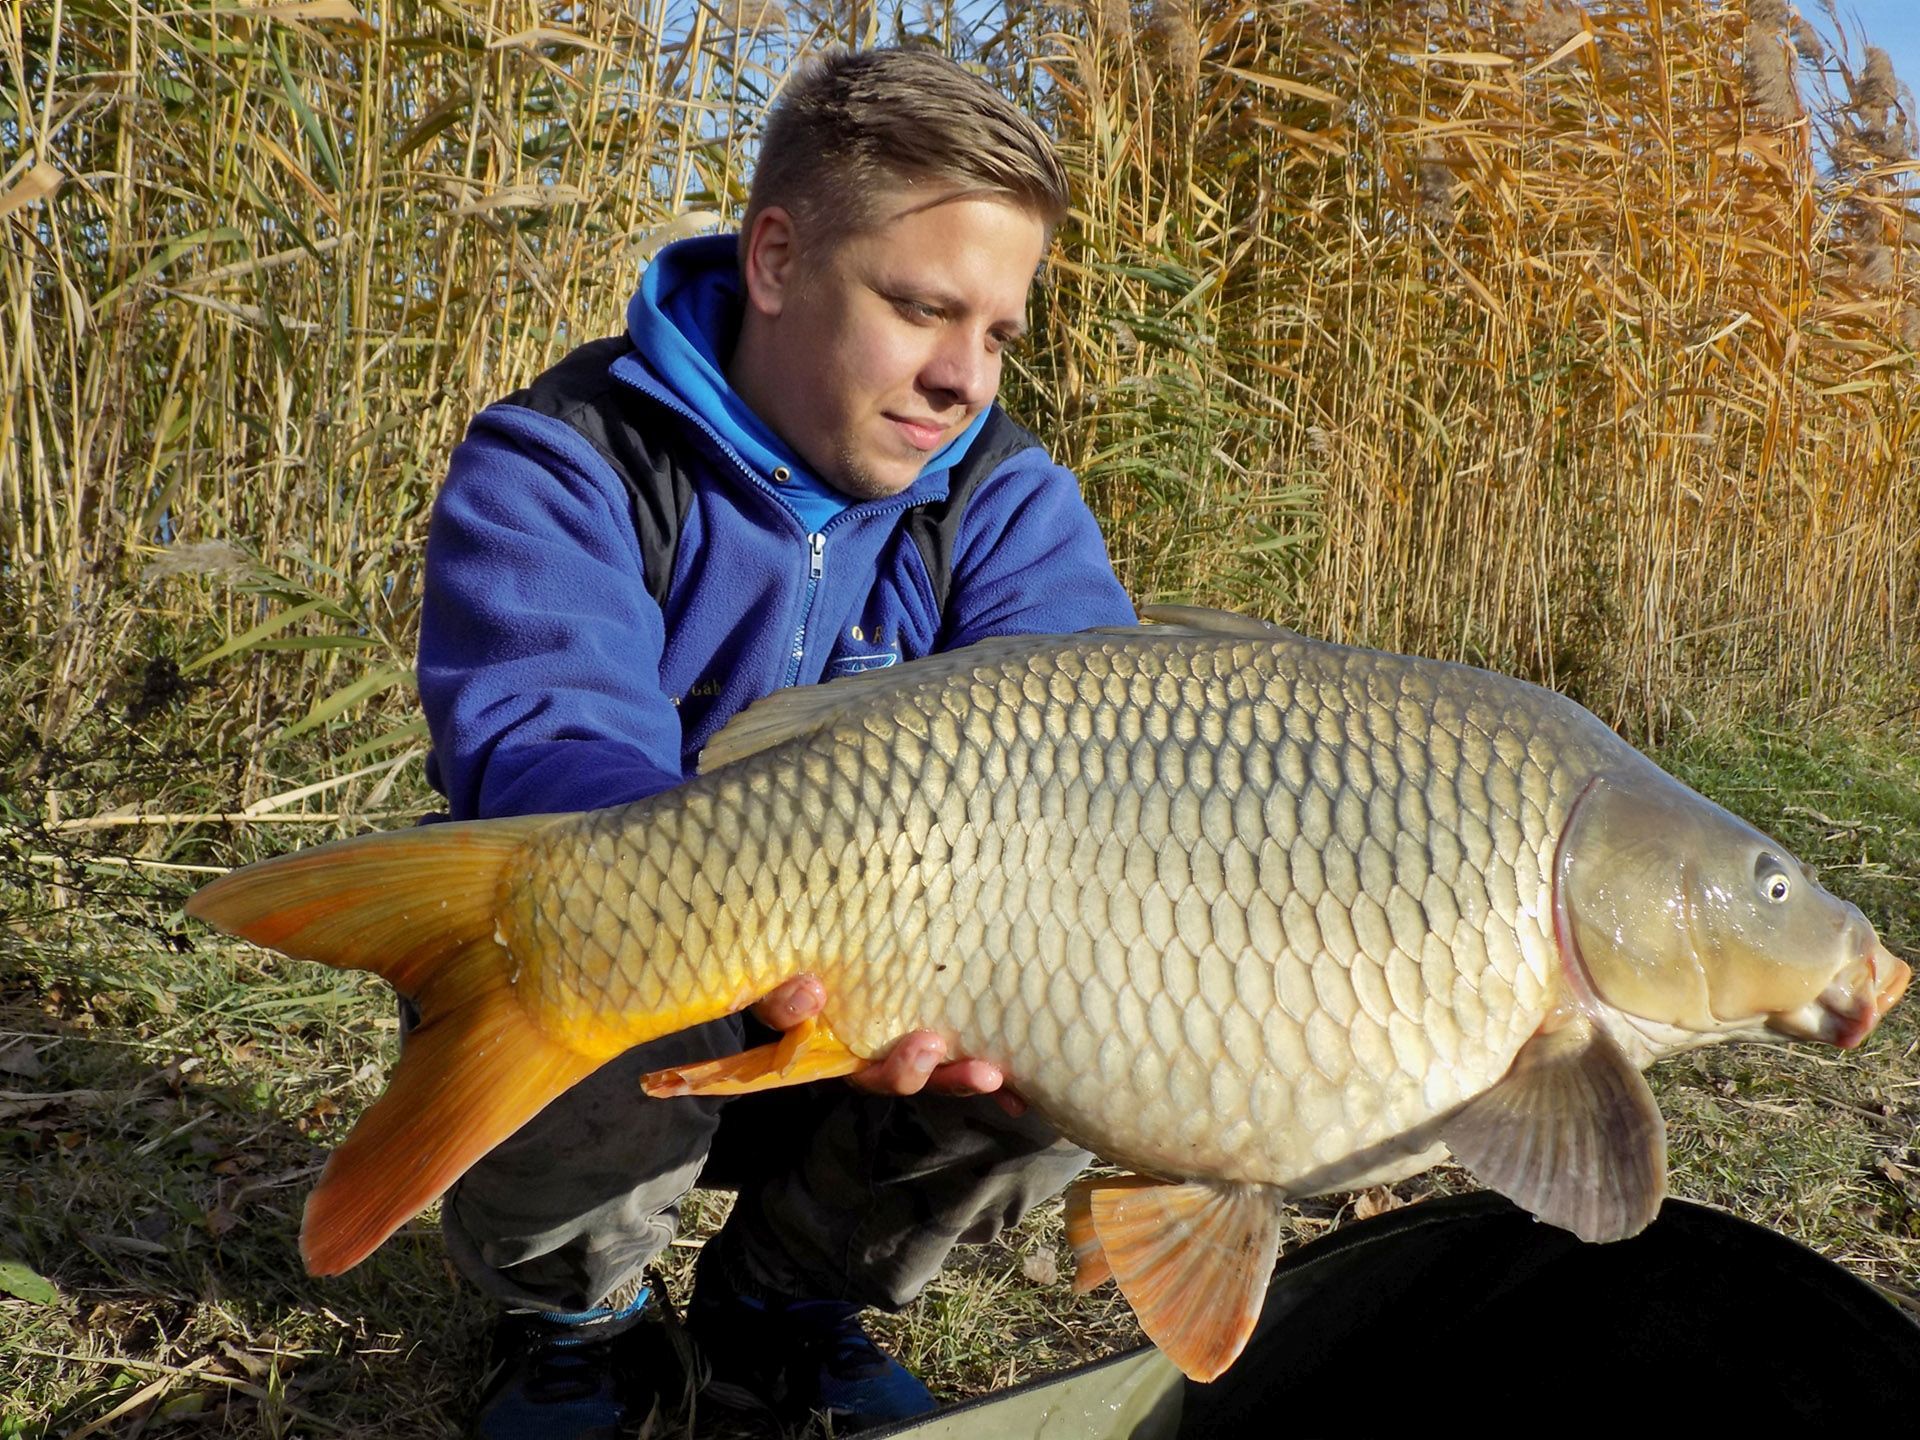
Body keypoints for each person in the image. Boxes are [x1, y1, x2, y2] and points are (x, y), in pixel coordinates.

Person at [414, 45, 1135, 1440]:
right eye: (922, 310)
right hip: (652, 1004)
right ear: (777, 255)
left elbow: (1085, 750)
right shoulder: (567, 457)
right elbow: (553, 735)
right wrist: (759, 915)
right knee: (610, 907)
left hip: (893, 1022)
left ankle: (788, 1307)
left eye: (998, 334)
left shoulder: (1003, 501)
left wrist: (950, 957)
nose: (961, 377)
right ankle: (582, 1321)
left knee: (1087, 1005)